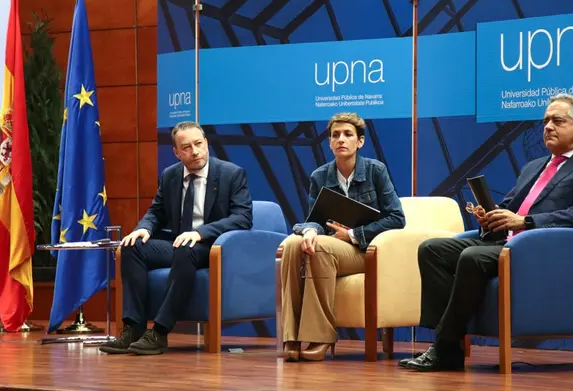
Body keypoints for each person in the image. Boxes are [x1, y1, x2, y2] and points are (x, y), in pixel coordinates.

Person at [401, 94, 573, 372]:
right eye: (545, 121)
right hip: (506, 243)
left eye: (557, 120)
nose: (548, 127)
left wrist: (525, 222)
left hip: (545, 249)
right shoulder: (534, 166)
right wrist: (489, 216)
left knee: (472, 257)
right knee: (432, 249)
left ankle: (444, 347)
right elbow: (509, 208)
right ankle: (450, 344)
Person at [99, 121, 253, 355]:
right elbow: (156, 211)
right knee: (132, 247)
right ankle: (134, 329)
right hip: (180, 244)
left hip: (211, 247)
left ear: (207, 143)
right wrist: (145, 228)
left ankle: (159, 332)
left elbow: (242, 217)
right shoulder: (170, 175)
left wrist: (200, 233)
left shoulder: (231, 174)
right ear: (177, 152)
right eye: (187, 147)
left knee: (185, 248)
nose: (195, 151)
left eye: (199, 144)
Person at [280, 112, 406, 362]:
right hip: (331, 248)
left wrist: (351, 235)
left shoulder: (375, 171)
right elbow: (313, 218)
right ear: (329, 143)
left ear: (360, 142)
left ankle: (320, 337)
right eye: (335, 135)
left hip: (365, 251)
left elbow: (397, 218)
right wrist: (309, 230)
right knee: (294, 244)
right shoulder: (320, 176)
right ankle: (291, 337)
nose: (341, 139)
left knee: (322, 249)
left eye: (348, 135)